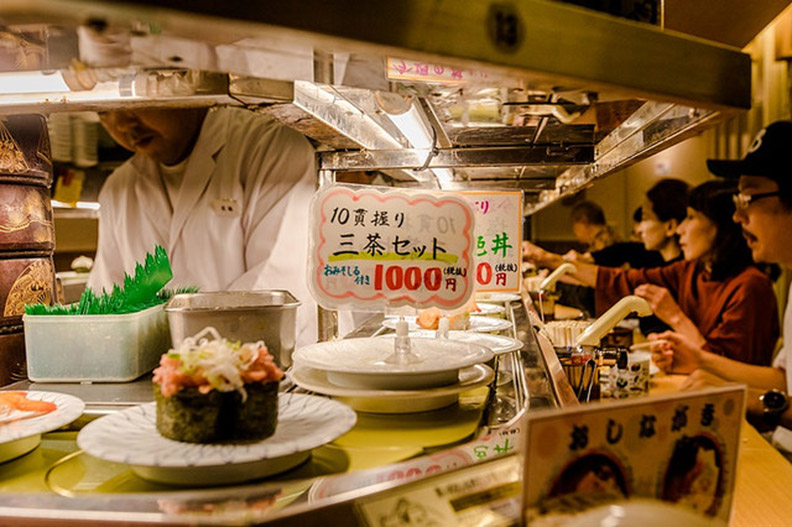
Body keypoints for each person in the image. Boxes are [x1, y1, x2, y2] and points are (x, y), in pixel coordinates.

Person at [87, 106, 319, 345]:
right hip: (169, 363)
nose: (122, 124)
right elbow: (108, 303)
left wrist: (203, 356)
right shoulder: (118, 187)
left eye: (132, 105)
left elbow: (277, 283)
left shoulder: (269, 146)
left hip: (269, 356)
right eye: (103, 112)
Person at [523, 180, 779, 366]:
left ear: (720, 227)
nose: (681, 229)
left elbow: (729, 370)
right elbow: (622, 280)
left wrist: (675, 317)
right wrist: (548, 259)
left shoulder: (750, 286)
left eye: (691, 218)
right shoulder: (692, 270)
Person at [650, 121, 792, 448]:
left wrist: (740, 397)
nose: (737, 217)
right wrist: (700, 361)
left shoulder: (751, 284)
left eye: (749, 198)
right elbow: (785, 380)